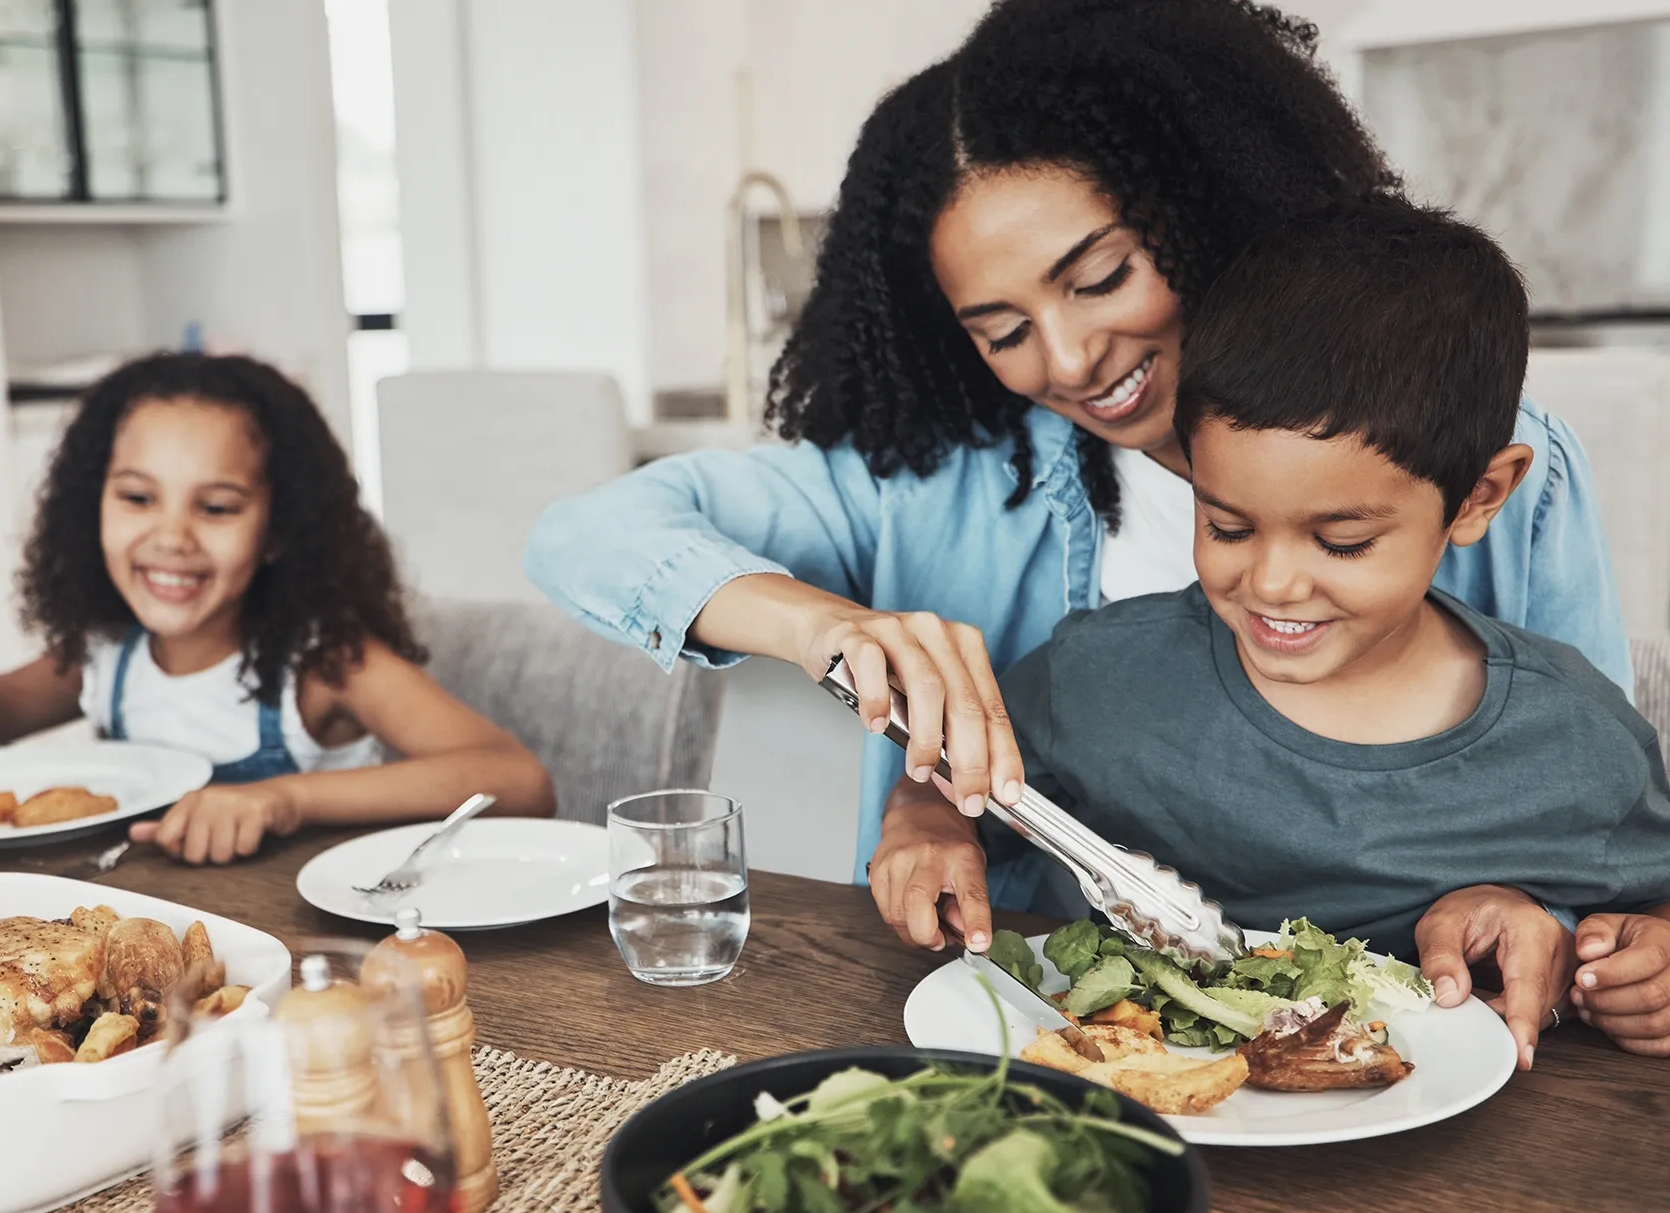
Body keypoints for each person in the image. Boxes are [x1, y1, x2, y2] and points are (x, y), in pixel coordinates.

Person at [523, 0, 1628, 982]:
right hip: (1059, 1024)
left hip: (1417, 1051)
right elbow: (588, 533)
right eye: (1000, 330)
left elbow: (1583, 816)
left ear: (1205, 205)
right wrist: (833, 630)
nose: (1068, 357)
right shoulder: (935, 481)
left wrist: (1537, 913)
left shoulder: (1482, 455)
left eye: (1101, 278)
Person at [982, 200, 1670, 1069]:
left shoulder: (1576, 741)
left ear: (1480, 498)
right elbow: (968, 781)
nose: (1270, 584)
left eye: (1342, 542)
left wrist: (1644, 966)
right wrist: (925, 829)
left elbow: (1652, 909)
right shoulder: (1100, 673)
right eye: (1227, 525)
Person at [0, 353, 555, 863]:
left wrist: (283, 799)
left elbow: (515, 778)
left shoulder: (326, 662)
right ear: (90, 504)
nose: (171, 537)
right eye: (137, 497)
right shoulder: (109, 648)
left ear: (277, 531)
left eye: (218, 507)